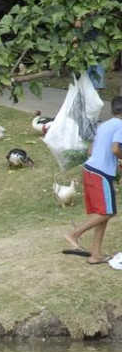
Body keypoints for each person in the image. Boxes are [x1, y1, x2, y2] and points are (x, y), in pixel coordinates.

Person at [66, 96, 122, 264]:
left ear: (112, 111)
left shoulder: (104, 125)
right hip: (100, 173)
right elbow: (115, 149)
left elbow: (91, 151)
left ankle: (96, 255)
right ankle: (74, 234)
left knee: (102, 214)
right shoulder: (121, 125)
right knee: (108, 212)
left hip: (90, 170)